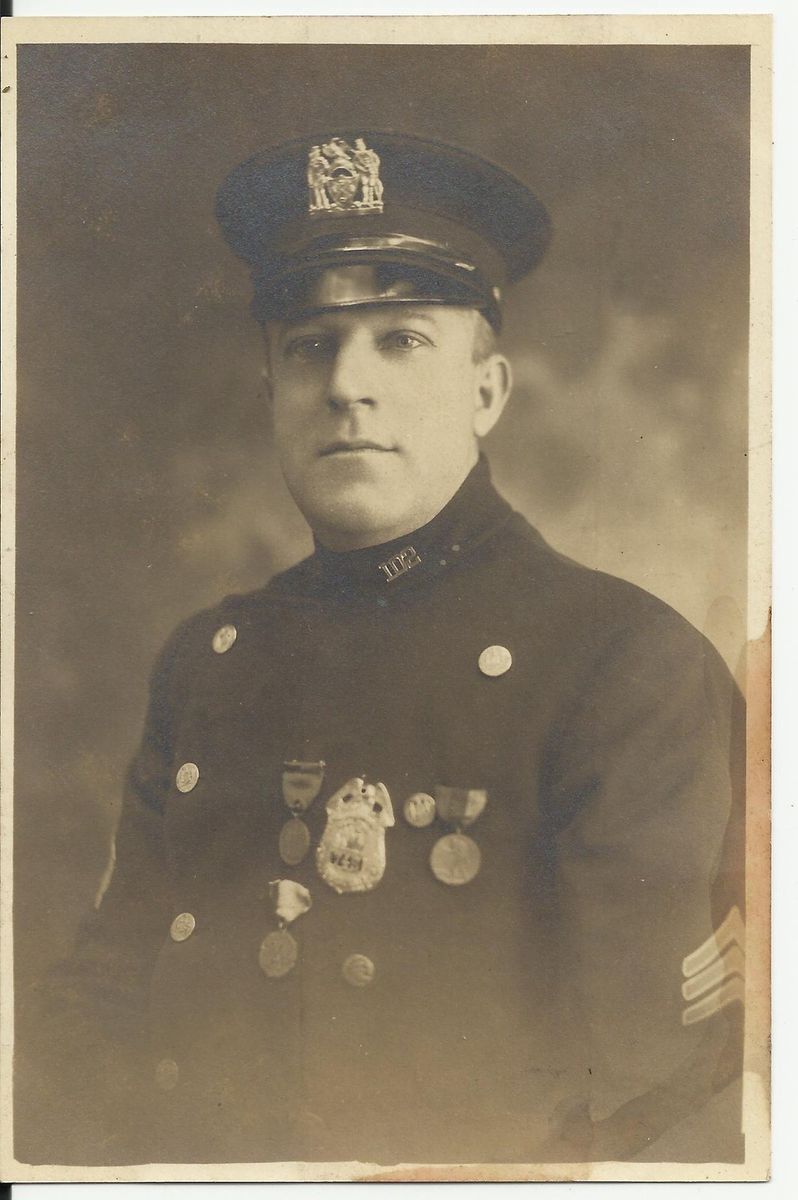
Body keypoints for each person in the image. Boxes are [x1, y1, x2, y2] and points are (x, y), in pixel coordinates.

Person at [17, 131, 746, 1169]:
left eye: (401, 339)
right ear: (270, 389)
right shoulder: (208, 663)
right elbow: (96, 1016)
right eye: (311, 345)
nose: (346, 384)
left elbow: (655, 1102)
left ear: (487, 392)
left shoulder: (623, 666)